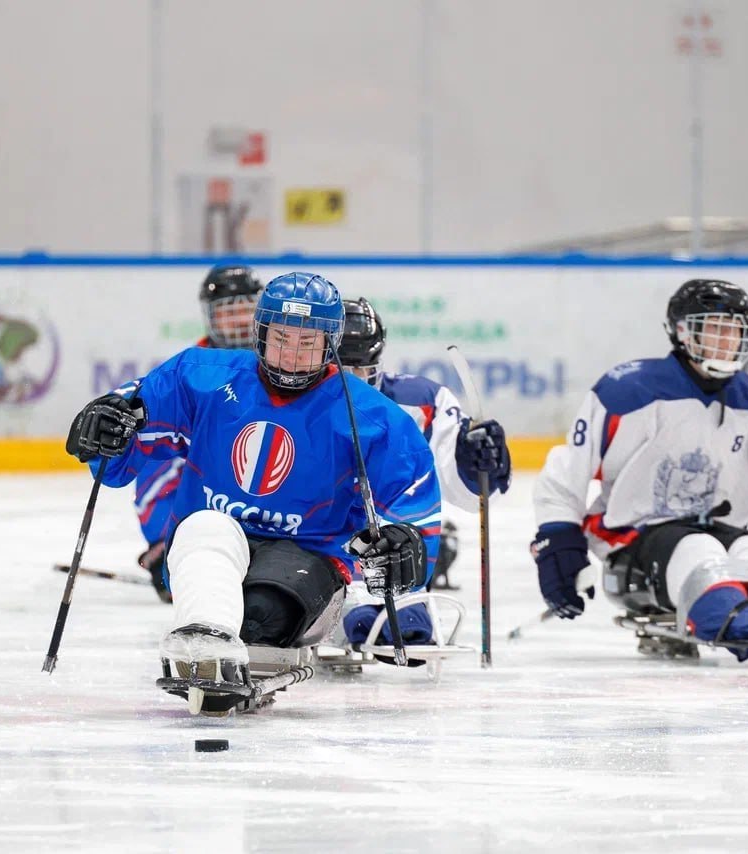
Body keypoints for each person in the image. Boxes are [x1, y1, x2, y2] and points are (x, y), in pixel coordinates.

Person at [64, 272, 442, 701]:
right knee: (206, 525)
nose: (291, 356)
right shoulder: (202, 376)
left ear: (330, 345)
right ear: (260, 333)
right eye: (281, 337)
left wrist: (405, 543)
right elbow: (128, 429)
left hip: (310, 560)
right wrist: (106, 428)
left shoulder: (369, 414)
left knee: (260, 615)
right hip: (210, 544)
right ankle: (207, 640)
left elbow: (414, 498)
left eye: (308, 343)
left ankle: (222, 637)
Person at [529, 279, 748, 661]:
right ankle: (724, 615)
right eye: (715, 328)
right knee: (697, 550)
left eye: (735, 330)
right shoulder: (626, 392)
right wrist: (558, 540)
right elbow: (567, 472)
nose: (727, 341)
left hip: (723, 535)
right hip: (633, 542)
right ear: (682, 332)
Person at [336, 297, 511, 651]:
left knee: (422, 561)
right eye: (343, 369)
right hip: (319, 547)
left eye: (363, 368)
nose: (354, 382)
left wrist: (474, 459)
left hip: (389, 547)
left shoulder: (423, 402)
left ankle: (391, 603)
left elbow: (465, 492)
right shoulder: (295, 404)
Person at [133, 265, 263, 601]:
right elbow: (156, 466)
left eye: (246, 310)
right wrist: (164, 540)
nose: (238, 321)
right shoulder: (192, 376)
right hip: (207, 520)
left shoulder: (289, 368)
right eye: (227, 312)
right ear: (210, 316)